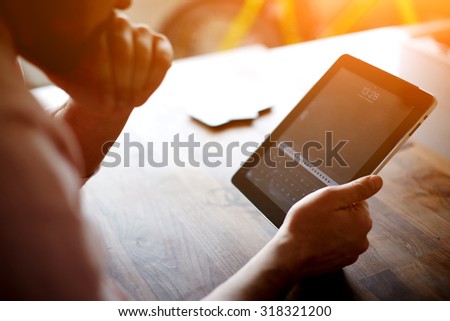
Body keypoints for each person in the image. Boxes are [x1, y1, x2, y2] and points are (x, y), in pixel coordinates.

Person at [0, 0, 383, 300]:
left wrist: (105, 104)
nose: (123, 2)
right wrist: (292, 253)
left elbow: (30, 188)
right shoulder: (13, 142)